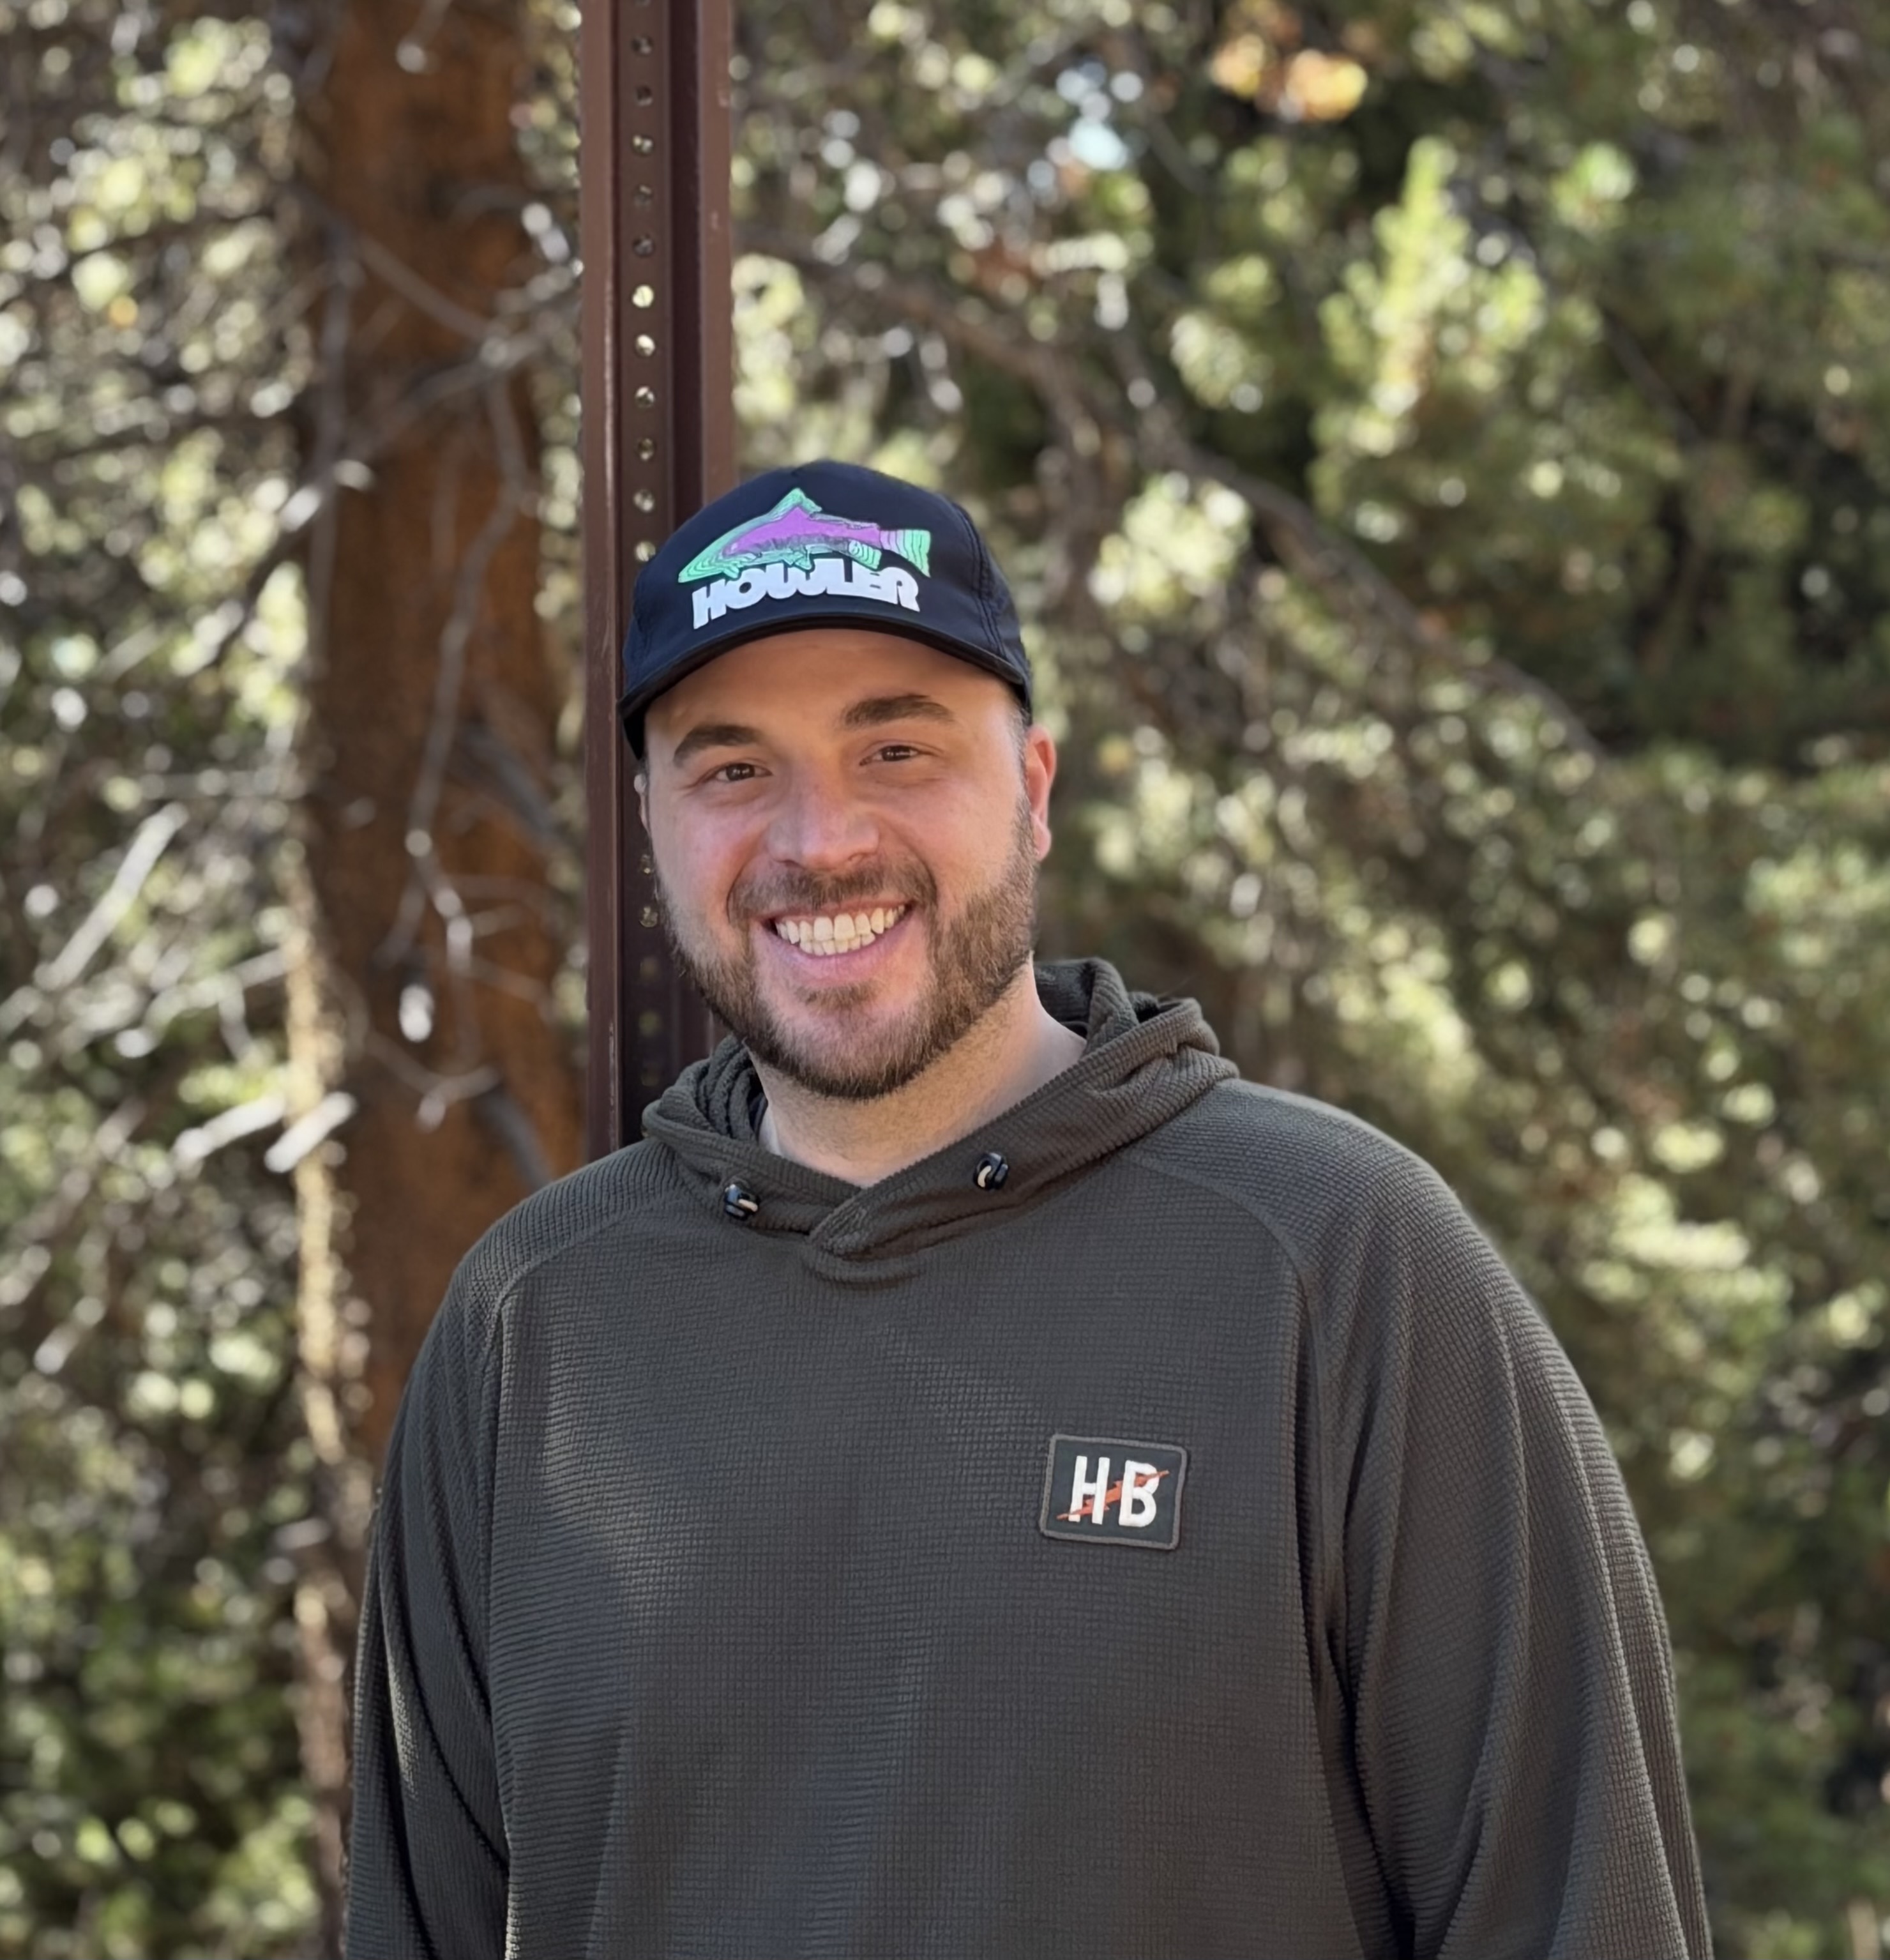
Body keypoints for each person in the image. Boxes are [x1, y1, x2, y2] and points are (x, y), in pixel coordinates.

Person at [349, 459, 1711, 1958]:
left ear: (1034, 787)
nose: (817, 842)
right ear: (652, 823)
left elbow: (1576, 1912)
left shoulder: (1336, 1261)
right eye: (731, 767)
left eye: (896, 748)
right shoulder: (529, 1324)